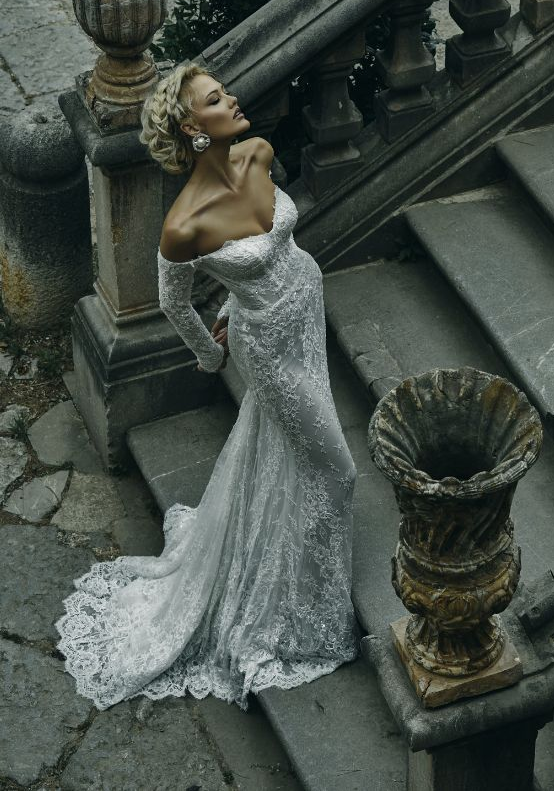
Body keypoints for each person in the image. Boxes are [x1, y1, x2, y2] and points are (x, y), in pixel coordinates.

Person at [54, 63, 360, 712]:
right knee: (337, 469)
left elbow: (272, 240)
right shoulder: (184, 222)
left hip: (302, 310)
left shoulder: (257, 151)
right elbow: (174, 302)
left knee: (288, 454)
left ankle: (293, 564)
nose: (235, 97)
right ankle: (303, 620)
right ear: (193, 127)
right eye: (218, 98)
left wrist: (232, 301)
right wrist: (210, 352)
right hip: (269, 349)